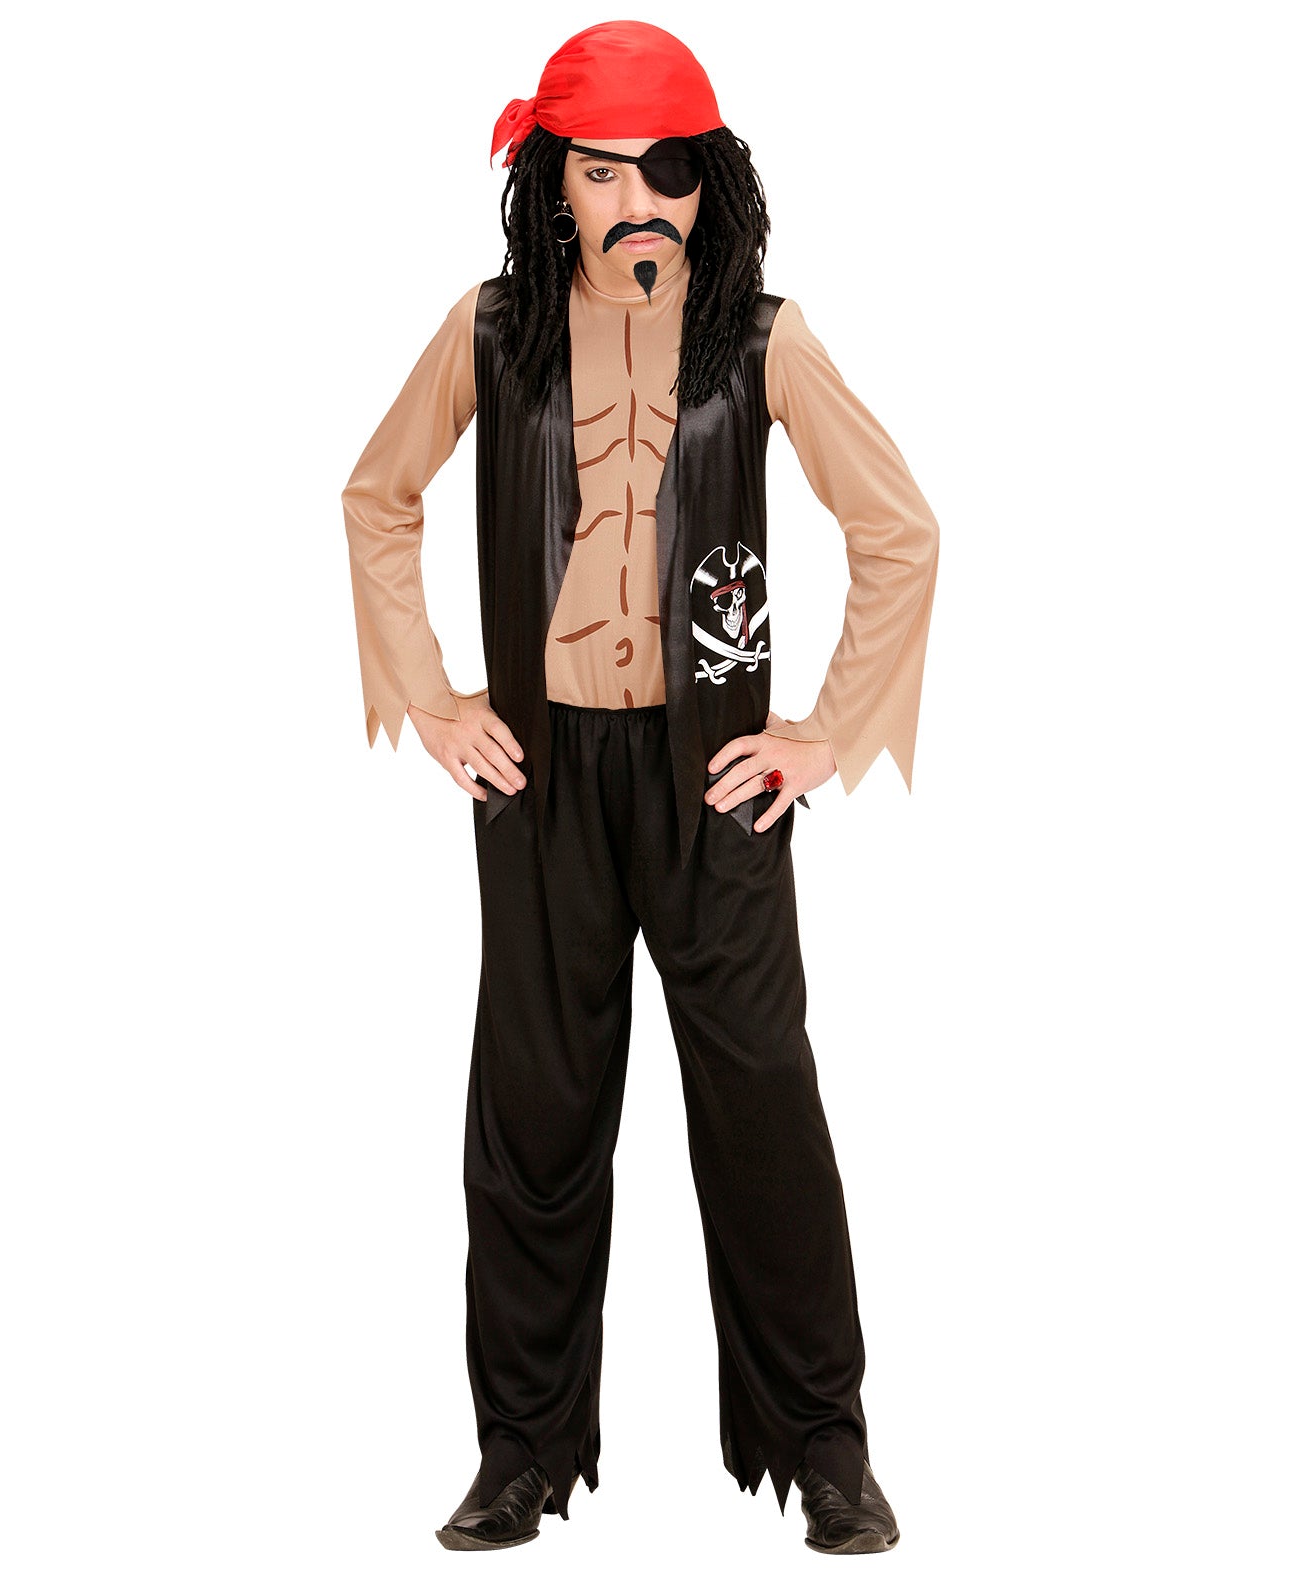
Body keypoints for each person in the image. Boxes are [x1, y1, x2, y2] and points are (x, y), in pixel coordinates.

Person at [341, 20, 940, 1556]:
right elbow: (377, 495)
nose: (634, 205)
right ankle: (521, 1452)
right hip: (539, 773)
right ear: (552, 182)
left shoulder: (762, 339)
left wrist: (822, 733)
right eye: (600, 173)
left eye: (663, 173)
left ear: (706, 185)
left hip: (714, 777)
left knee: (760, 1106)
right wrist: (430, 697)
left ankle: (822, 1445)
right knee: (534, 1114)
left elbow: (899, 531)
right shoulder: (489, 332)